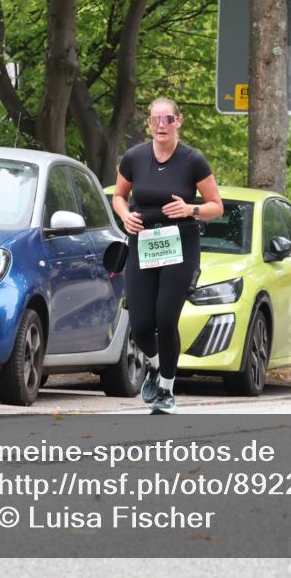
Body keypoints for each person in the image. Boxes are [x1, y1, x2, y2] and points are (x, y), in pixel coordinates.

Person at [112, 97, 223, 414]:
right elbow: (120, 195)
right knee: (141, 323)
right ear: (149, 123)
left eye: (168, 119)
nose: (161, 125)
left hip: (180, 242)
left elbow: (217, 206)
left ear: (179, 121)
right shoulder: (134, 157)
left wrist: (191, 209)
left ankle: (166, 390)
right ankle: (156, 366)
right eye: (155, 119)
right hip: (143, 241)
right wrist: (124, 215)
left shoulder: (193, 161)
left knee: (165, 317)